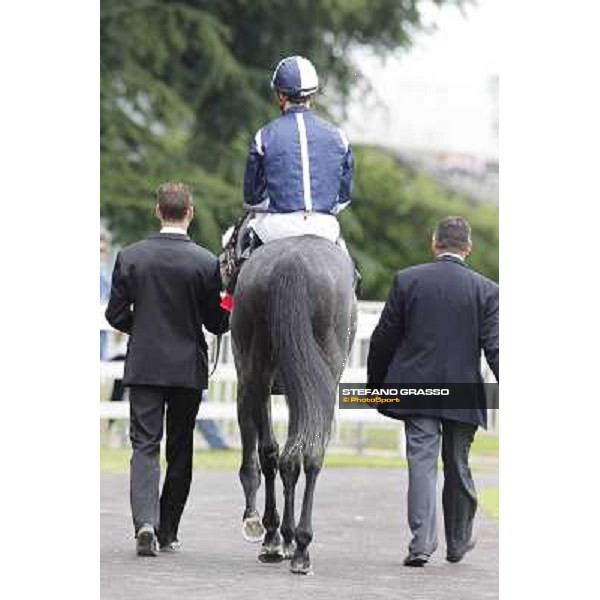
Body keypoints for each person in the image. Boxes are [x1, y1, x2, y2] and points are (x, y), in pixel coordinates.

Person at [105, 182, 229, 556]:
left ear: (158, 210)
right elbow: (217, 322)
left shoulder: (130, 256)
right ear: (189, 212)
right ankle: (168, 530)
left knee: (144, 445)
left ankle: (145, 522)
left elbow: (114, 314)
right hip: (186, 368)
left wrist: (140, 330)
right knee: (180, 448)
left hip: (144, 364)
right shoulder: (206, 262)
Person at [366, 216, 499, 567]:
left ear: (434, 243)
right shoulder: (486, 290)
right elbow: (495, 348)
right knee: (458, 465)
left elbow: (383, 339)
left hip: (417, 389)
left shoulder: (408, 280)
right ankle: (457, 542)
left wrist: (375, 386)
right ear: (468, 247)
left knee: (421, 465)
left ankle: (421, 544)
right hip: (462, 393)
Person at [222, 55, 355, 297]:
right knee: (349, 273)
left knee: (239, 255)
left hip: (277, 226)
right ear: (312, 95)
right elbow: (343, 198)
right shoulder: (339, 137)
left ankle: (229, 303)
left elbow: (253, 198)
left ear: (280, 95)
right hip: (324, 227)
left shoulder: (264, 135)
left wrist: (276, 204)